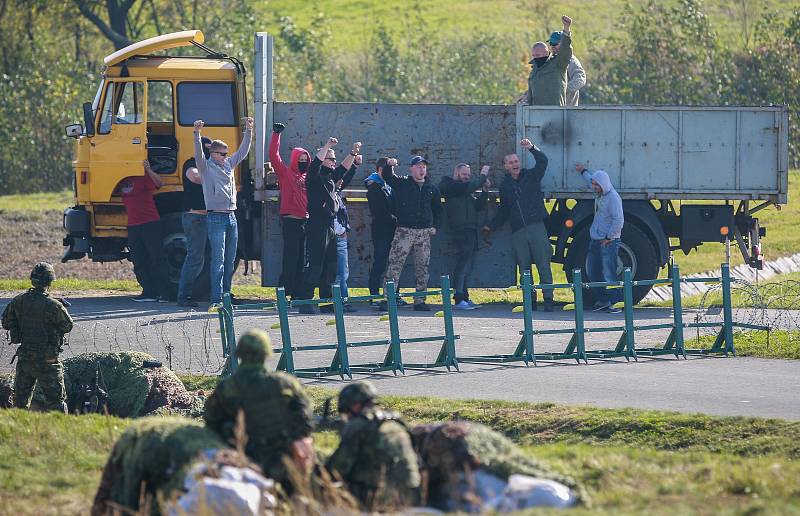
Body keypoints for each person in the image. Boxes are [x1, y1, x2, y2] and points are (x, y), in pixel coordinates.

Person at [204, 329, 315, 492]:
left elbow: (211, 423)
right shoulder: (285, 384)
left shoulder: (227, 387)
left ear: (240, 354)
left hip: (244, 464)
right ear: (266, 353)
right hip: (285, 463)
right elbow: (306, 421)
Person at [325, 381, 420, 511]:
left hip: (378, 501)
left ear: (355, 405)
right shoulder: (397, 422)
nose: (346, 417)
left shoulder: (358, 426)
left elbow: (335, 469)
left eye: (346, 412)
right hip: (410, 496)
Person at [483, 139, 554, 312]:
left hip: (536, 226)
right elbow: (503, 211)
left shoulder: (531, 176)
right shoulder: (505, 186)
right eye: (510, 162)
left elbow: (543, 161)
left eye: (516, 161)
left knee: (543, 265)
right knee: (524, 268)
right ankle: (530, 300)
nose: (514, 164)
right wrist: (491, 226)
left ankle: (549, 299)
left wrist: (531, 148)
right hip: (518, 231)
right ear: (506, 166)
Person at [193, 117, 253, 309]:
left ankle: (226, 296)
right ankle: (216, 299)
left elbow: (243, 152)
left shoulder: (227, 165)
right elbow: (198, 153)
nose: (227, 156)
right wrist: (196, 133)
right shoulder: (205, 167)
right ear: (213, 153)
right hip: (216, 217)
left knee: (230, 259)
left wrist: (249, 131)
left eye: (227, 153)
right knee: (217, 259)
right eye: (223, 154)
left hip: (231, 217)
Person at [296, 137, 361, 314]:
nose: (334, 162)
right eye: (331, 158)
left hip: (329, 225)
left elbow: (343, 168)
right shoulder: (314, 175)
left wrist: (353, 153)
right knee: (315, 265)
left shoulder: (330, 176)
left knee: (330, 265)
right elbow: (315, 163)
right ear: (323, 158)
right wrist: (326, 146)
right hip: (317, 225)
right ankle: (305, 302)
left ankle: (326, 302)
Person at [1, 263, 73, 413]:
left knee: (19, 404)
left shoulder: (18, 301)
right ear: (50, 281)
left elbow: (6, 322)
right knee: (57, 404)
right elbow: (67, 326)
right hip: (48, 361)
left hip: (25, 358)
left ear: (32, 280)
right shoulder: (54, 305)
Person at [382, 156, 443, 312]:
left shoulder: (431, 188)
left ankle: (420, 300)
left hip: (423, 233)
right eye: (418, 166)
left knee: (423, 267)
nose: (421, 169)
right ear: (411, 168)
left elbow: (438, 210)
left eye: (423, 167)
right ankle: (388, 299)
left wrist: (436, 226)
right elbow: (389, 178)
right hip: (404, 231)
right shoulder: (403, 183)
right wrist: (389, 165)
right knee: (395, 265)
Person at [439, 163, 490, 309]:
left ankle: (465, 297)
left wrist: (485, 192)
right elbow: (467, 187)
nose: (467, 177)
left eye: (468, 174)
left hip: (471, 230)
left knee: (468, 265)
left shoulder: (466, 190)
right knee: (462, 264)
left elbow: (478, 207)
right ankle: (458, 298)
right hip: (460, 231)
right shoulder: (450, 185)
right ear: (456, 172)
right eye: (464, 174)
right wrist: (483, 175)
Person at [575, 163, 625, 313]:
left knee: (609, 273)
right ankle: (603, 300)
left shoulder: (613, 198)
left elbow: (619, 220)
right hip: (595, 239)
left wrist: (609, 237)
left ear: (603, 184)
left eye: (597, 185)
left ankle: (615, 304)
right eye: (594, 184)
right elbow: (590, 178)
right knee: (592, 270)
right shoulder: (599, 192)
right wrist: (583, 171)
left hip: (608, 241)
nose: (594, 187)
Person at [270, 122, 311, 300]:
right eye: (300, 160)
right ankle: (283, 292)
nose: (303, 163)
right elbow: (274, 156)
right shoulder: (286, 173)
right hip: (291, 221)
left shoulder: (308, 176)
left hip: (305, 221)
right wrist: (276, 135)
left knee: (302, 260)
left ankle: (297, 294)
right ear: (294, 160)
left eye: (305, 161)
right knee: (291, 258)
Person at [121, 160, 168, 302]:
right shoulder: (121, 180)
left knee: (157, 258)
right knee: (138, 259)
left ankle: (165, 293)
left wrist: (148, 169)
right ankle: (148, 292)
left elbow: (160, 183)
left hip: (150, 223)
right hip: (133, 225)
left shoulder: (142, 177)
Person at [176, 137, 212, 308]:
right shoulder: (190, 163)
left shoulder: (211, 165)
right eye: (206, 148)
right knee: (195, 258)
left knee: (213, 258)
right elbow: (195, 177)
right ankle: (184, 296)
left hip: (210, 217)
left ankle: (214, 293)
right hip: (195, 218)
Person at [365, 157, 398, 307]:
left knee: (394, 264)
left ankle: (393, 294)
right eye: (388, 168)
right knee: (380, 262)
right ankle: (374, 295)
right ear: (379, 169)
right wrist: (397, 220)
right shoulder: (374, 188)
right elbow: (380, 212)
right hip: (381, 231)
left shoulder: (388, 186)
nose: (391, 172)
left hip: (392, 230)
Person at [520, 15, 574, 106]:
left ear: (546, 53)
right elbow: (530, 95)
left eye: (538, 55)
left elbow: (566, 50)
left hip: (555, 112)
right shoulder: (534, 71)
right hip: (536, 114)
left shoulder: (558, 63)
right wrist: (525, 103)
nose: (535, 58)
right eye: (534, 55)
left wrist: (566, 28)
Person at [334, 157, 361, 313]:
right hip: (336, 237)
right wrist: (341, 230)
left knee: (342, 272)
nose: (341, 181)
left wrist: (355, 166)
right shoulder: (328, 190)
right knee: (340, 272)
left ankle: (341, 300)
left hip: (340, 237)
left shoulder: (336, 191)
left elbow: (345, 179)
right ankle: (340, 302)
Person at [549, 30, 586, 106]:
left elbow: (581, 78)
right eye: (551, 43)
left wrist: (564, 89)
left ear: (564, 44)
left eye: (555, 43)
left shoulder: (571, 60)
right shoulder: (550, 61)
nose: (552, 46)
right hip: (552, 109)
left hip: (568, 110)